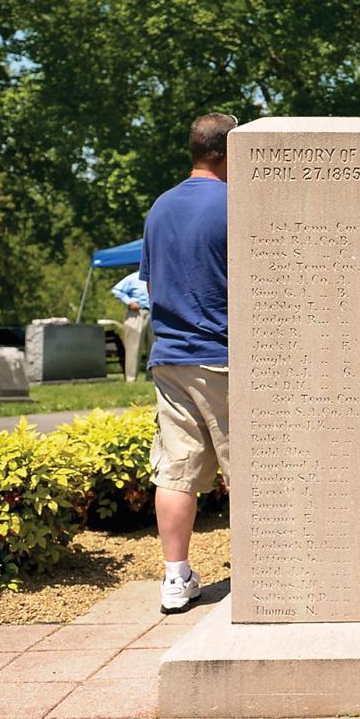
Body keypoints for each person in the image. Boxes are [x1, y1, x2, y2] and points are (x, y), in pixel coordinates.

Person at [141, 112, 236, 613]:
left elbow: (152, 287)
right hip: (224, 357)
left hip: (170, 359)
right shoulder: (237, 204)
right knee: (251, 470)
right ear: (228, 152)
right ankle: (266, 574)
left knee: (175, 471)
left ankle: (175, 580)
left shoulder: (160, 207)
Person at [111, 271, 153, 382]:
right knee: (133, 349)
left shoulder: (157, 276)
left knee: (154, 348)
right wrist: (129, 301)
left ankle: (152, 378)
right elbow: (116, 290)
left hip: (154, 314)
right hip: (137, 314)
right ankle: (131, 379)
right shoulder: (133, 277)